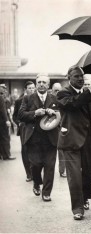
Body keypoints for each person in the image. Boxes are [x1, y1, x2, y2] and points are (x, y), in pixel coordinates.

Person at [56, 65, 91, 220]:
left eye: (82, 76)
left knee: (89, 171)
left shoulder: (88, 93)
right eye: (76, 76)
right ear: (69, 78)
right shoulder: (63, 93)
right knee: (74, 176)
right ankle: (77, 208)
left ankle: (85, 197)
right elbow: (73, 104)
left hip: (89, 140)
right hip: (71, 140)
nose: (81, 79)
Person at [18, 74, 59, 202]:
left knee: (50, 166)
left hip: (50, 138)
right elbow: (21, 115)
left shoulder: (54, 98)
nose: (41, 84)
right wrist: (35, 113)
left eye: (44, 82)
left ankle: (46, 192)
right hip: (34, 138)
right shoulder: (28, 98)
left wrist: (55, 113)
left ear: (48, 85)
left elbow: (62, 114)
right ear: (36, 84)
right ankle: (36, 182)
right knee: (35, 165)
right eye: (39, 82)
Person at [12, 81, 35, 181]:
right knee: (25, 150)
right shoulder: (19, 101)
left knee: (35, 150)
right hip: (24, 129)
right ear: (25, 89)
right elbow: (14, 115)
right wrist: (19, 123)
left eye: (33, 88)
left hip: (35, 128)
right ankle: (29, 174)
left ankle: (35, 172)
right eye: (30, 88)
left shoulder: (37, 99)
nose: (32, 90)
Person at [51, 82, 66, 178]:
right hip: (50, 129)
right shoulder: (48, 100)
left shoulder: (64, 100)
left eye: (58, 90)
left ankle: (62, 170)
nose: (57, 92)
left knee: (62, 150)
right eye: (55, 90)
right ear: (52, 91)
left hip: (61, 128)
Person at [0, 86, 14, 160]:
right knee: (5, 138)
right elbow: (3, 111)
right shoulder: (2, 99)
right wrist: (7, 120)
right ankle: (7, 155)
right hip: (2, 122)